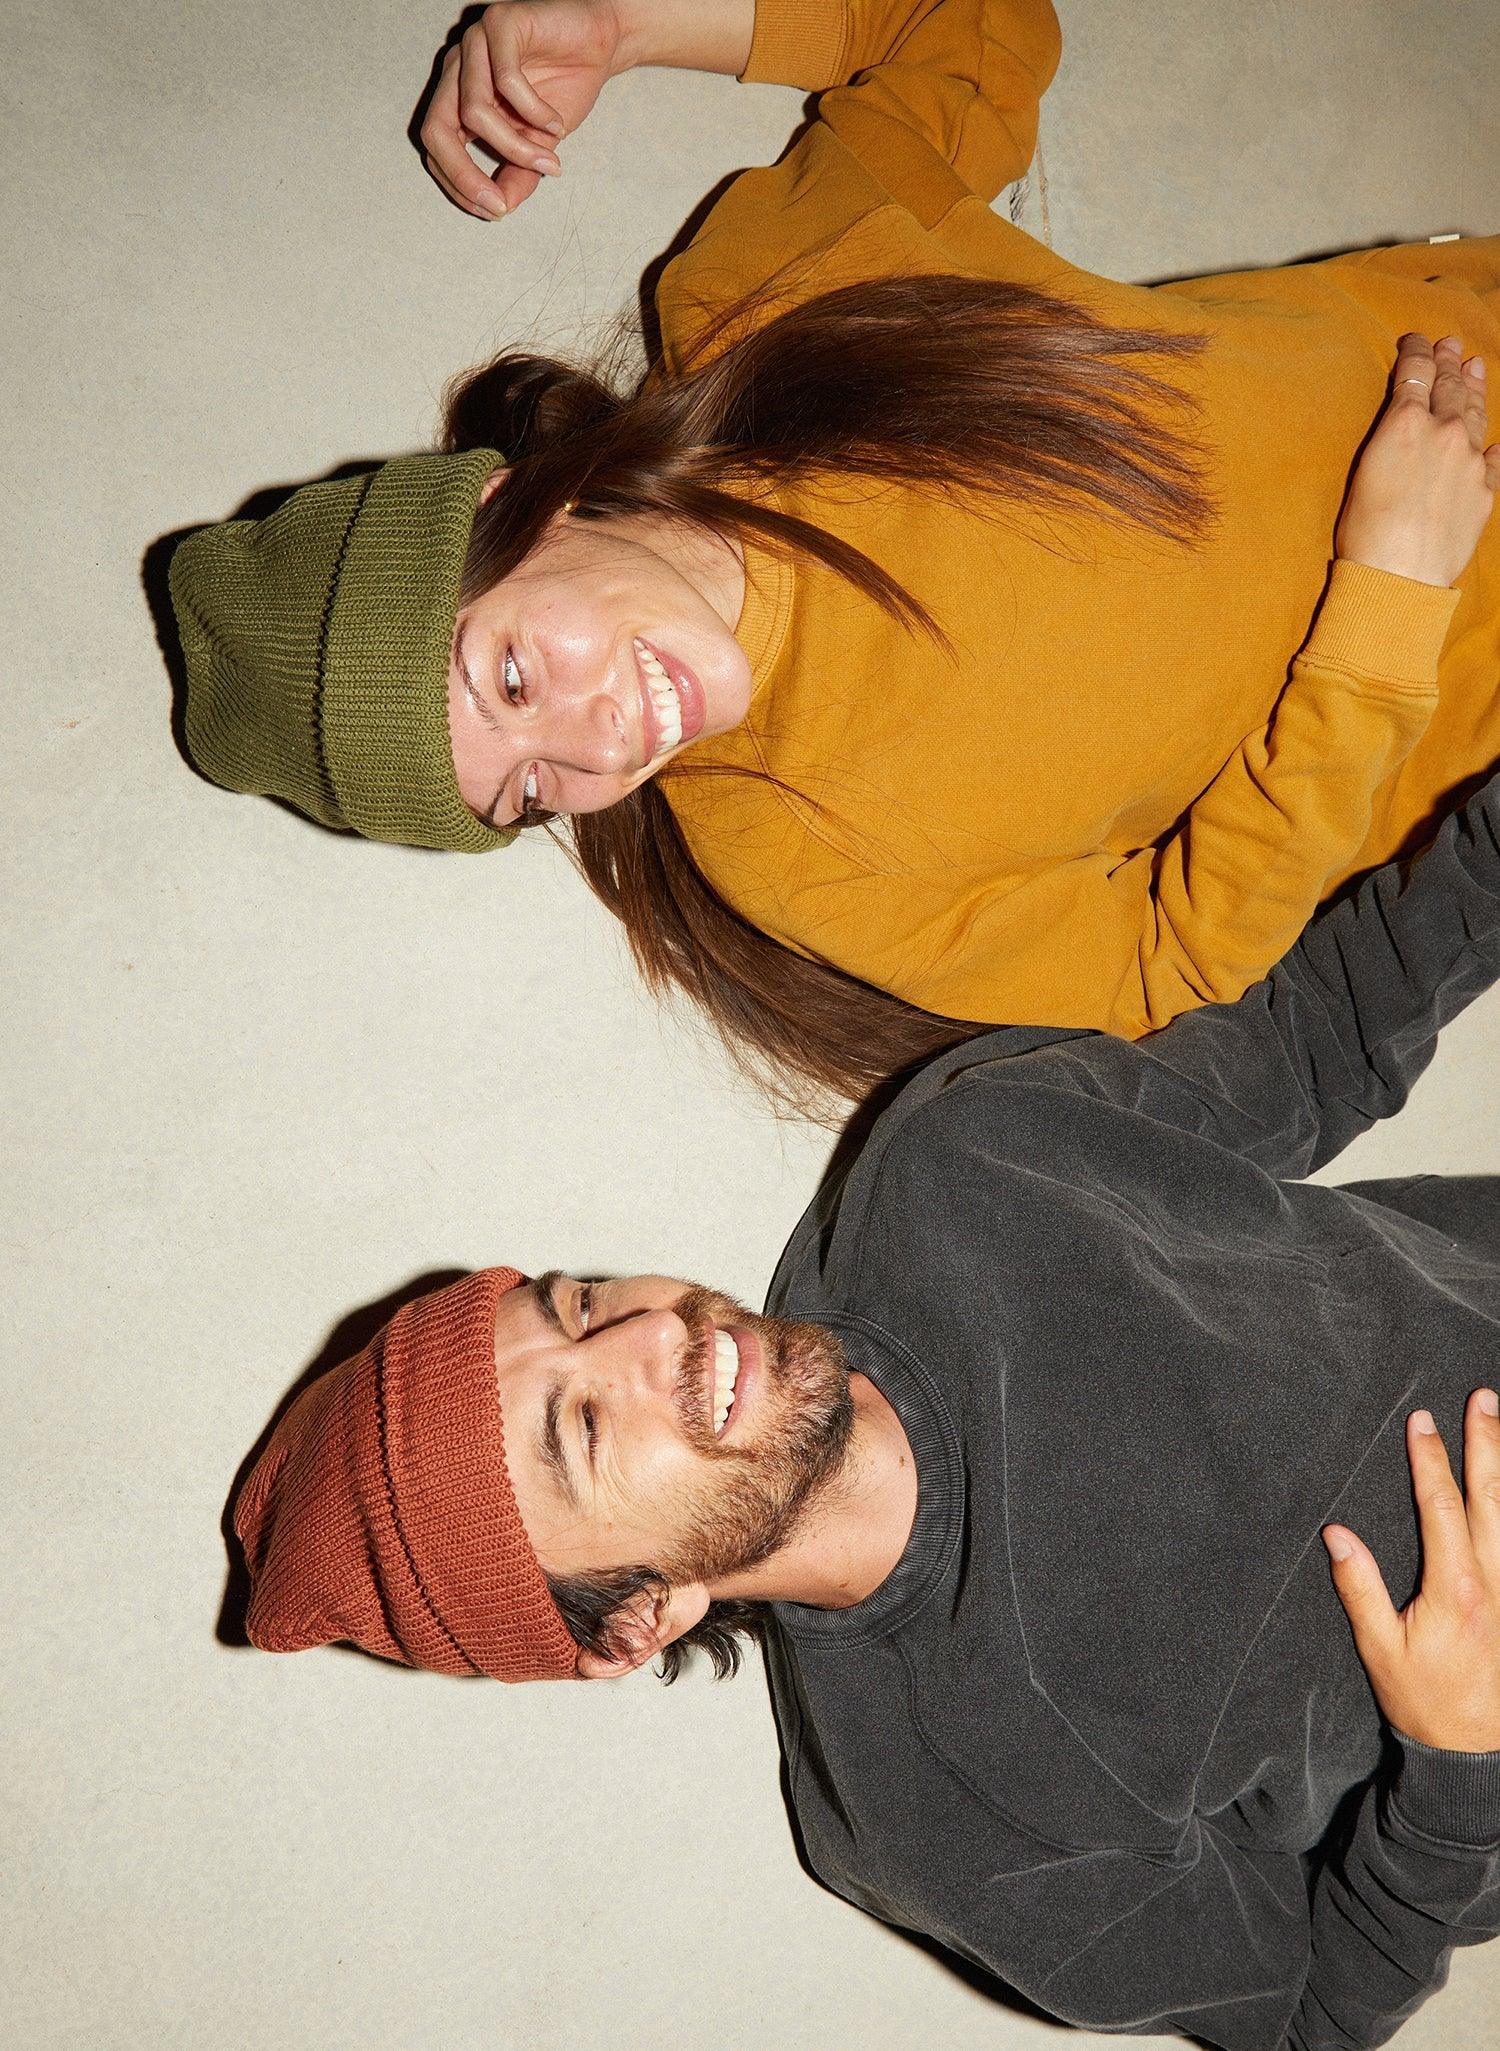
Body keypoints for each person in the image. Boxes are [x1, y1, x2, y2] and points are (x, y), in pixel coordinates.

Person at [234, 767, 1500, 2051]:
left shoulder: (955, 1165)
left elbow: (1312, 1040)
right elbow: (1306, 2018)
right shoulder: (929, 1818)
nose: (651, 1332)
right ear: (639, 1616)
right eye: (585, 1427)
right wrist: (1454, 1763)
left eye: (577, 1302)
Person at [171, 0, 1500, 1110]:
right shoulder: (795, 857)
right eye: (530, 794)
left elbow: (972, 26)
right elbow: (1167, 961)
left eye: (512, 680)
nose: (588, 759)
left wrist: (627, 23)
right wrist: (1391, 600)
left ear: (516, 507)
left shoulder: (766, 294)